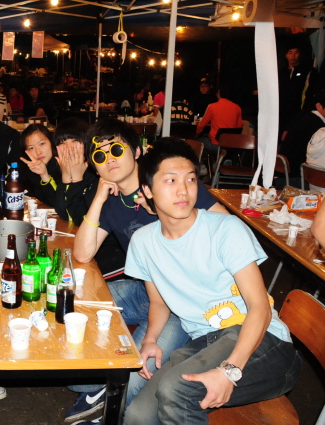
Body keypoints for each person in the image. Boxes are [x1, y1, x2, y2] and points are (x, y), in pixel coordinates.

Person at [123, 138, 301, 425]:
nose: (183, 190)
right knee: (138, 416)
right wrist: (151, 340)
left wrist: (230, 370)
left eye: (191, 179)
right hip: (204, 342)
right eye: (170, 180)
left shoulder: (226, 229)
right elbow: (158, 302)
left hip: (264, 342)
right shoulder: (143, 242)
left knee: (176, 391)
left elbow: (259, 307)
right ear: (147, 190)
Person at [66, 120, 228, 423]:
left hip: (181, 305)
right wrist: (99, 199)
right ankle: (98, 388)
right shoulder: (112, 201)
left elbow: (226, 230)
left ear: (137, 151)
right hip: (145, 292)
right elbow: (83, 253)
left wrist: (164, 214)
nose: (109, 159)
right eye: (100, 156)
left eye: (116, 149)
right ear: (95, 167)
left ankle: (106, 400)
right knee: (72, 304)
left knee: (128, 383)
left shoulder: (168, 183)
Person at [53, 117, 126, 284]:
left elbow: (82, 219)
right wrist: (66, 176)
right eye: (62, 143)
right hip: (92, 249)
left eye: (74, 141)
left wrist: (76, 179)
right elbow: (64, 213)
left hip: (112, 255)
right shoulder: (77, 169)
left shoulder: (101, 172)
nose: (69, 148)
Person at [278, 89, 325, 188]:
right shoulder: (318, 127)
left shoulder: (306, 117)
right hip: (295, 181)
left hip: (284, 176)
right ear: (319, 106)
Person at [279, 43, 317, 134]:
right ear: (286, 55)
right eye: (290, 53)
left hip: (300, 111)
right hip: (281, 111)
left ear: (300, 54)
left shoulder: (308, 71)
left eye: (296, 52)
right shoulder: (280, 72)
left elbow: (310, 92)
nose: (293, 56)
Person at [19, 124, 61, 207]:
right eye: (31, 148)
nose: (38, 152)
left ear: (51, 142)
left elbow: (59, 204)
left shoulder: (63, 167)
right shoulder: (25, 170)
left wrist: (44, 175)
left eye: (42, 144)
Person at [195, 86, 242, 153]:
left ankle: (203, 159)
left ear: (219, 93)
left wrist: (196, 134)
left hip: (216, 144)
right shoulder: (237, 108)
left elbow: (201, 126)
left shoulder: (212, 107)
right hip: (231, 145)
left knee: (193, 140)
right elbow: (239, 128)